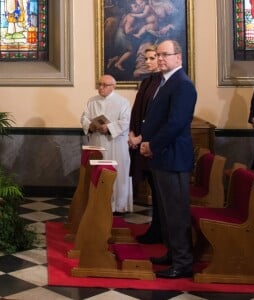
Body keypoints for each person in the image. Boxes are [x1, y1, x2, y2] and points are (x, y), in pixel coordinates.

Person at [140, 39, 197, 278]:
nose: (161, 58)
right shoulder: (165, 82)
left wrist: (152, 144)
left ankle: (183, 262)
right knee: (166, 210)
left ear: (178, 58)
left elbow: (176, 123)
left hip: (173, 157)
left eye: (166, 54)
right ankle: (173, 254)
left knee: (176, 212)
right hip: (163, 156)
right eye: (158, 54)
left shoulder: (182, 84)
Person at [81, 74, 133, 213]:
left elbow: (126, 121)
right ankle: (97, 204)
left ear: (113, 86)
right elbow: (84, 118)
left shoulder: (123, 102)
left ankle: (118, 206)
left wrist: (109, 127)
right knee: (97, 172)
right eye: (99, 84)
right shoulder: (92, 101)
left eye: (105, 85)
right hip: (97, 141)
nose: (101, 87)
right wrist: (90, 125)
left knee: (117, 173)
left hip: (115, 143)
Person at [128, 45, 162, 244]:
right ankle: (155, 228)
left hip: (153, 145)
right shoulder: (147, 81)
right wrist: (132, 132)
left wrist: (142, 137)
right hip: (141, 141)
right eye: (146, 58)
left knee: (159, 193)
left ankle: (159, 229)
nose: (148, 62)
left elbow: (156, 116)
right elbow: (137, 110)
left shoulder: (163, 84)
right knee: (153, 188)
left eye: (152, 58)